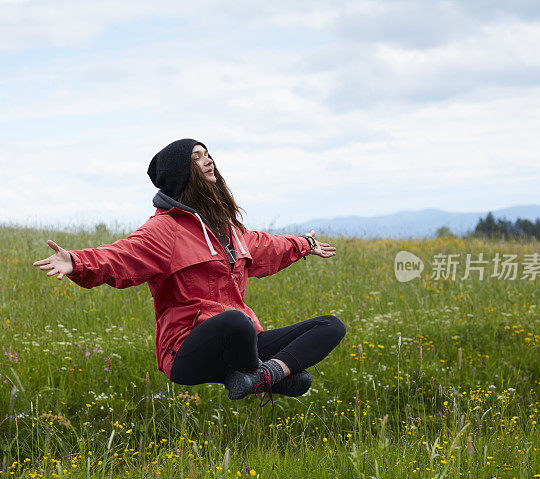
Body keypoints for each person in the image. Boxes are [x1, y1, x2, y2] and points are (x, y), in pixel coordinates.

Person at [32, 138, 346, 402]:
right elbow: (121, 255)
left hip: (239, 347)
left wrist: (305, 243)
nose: (208, 160)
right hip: (188, 349)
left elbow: (267, 246)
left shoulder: (229, 230)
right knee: (237, 322)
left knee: (330, 326)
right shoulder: (164, 230)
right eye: (196, 157)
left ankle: (263, 376)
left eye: (208, 154)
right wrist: (76, 261)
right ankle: (270, 376)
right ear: (181, 172)